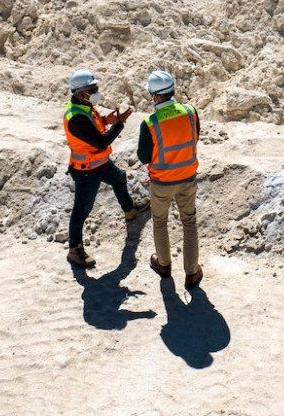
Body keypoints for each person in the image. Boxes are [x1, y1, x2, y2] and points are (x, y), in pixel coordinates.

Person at [63, 69, 138, 268]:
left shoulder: (85, 106)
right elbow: (102, 142)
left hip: (99, 164)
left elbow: (95, 125)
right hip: (87, 171)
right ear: (81, 93)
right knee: (81, 210)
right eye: (92, 89)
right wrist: (120, 123)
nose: (97, 91)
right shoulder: (75, 118)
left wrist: (109, 119)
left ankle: (130, 210)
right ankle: (75, 250)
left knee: (119, 178)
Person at [137, 69, 203, 288]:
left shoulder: (150, 123)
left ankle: (164, 265)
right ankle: (192, 273)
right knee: (189, 222)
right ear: (173, 90)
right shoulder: (190, 111)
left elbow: (143, 156)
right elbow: (195, 137)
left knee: (160, 221)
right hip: (187, 177)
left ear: (154, 96)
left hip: (162, 183)